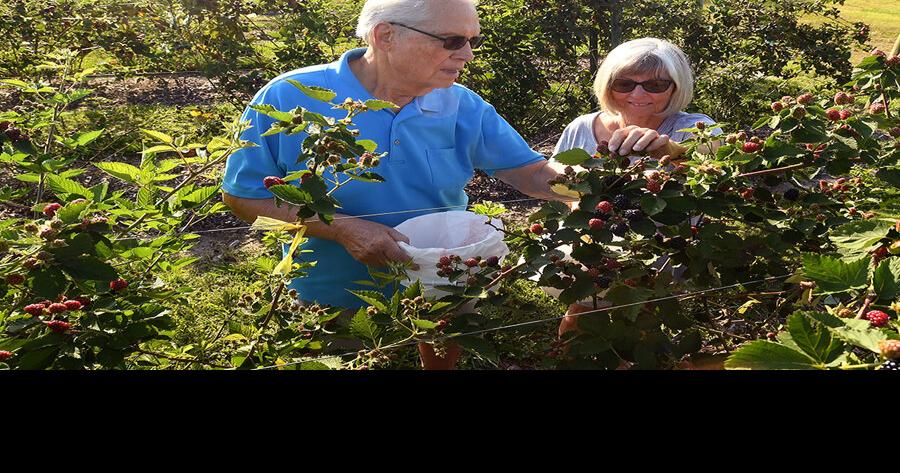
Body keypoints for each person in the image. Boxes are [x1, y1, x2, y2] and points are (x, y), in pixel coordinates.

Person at [221, 0, 570, 369]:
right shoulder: (290, 97)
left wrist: (608, 181)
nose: (467, 54)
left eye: (472, 41)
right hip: (328, 289)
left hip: (441, 278)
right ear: (385, 36)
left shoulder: (462, 105)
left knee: (440, 355)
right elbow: (242, 198)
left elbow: (532, 174)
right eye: (452, 40)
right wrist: (341, 229)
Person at [553, 37, 720, 343]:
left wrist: (668, 148)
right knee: (580, 316)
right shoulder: (582, 127)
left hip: (661, 251)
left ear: (675, 87)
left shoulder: (694, 126)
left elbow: (713, 154)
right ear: (608, 85)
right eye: (625, 84)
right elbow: (561, 187)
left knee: (642, 321)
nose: (638, 94)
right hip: (595, 248)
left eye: (655, 85)